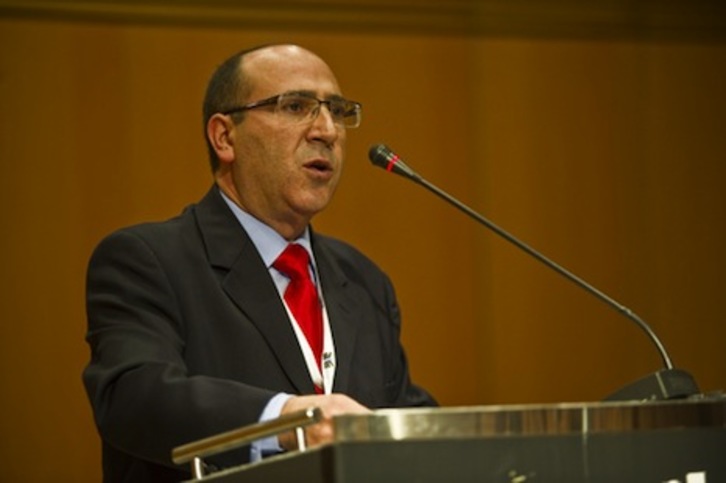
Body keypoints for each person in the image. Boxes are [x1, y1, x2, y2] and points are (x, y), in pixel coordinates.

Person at [82, 43, 436, 483]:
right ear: (225, 137)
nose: (327, 130)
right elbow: (134, 399)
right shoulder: (149, 260)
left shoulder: (362, 280)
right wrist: (289, 419)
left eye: (338, 111)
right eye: (296, 106)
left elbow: (404, 416)